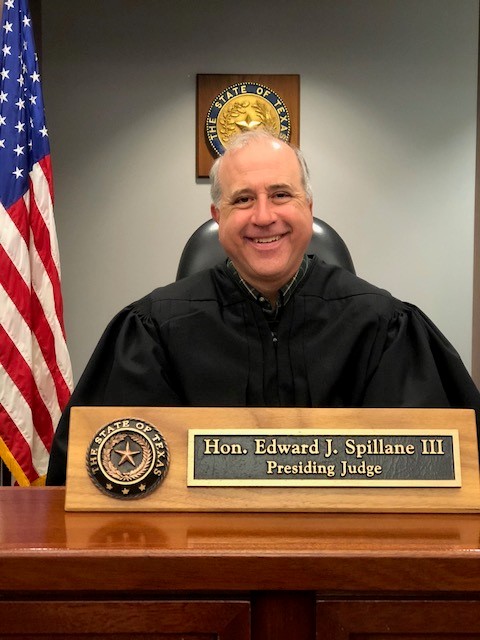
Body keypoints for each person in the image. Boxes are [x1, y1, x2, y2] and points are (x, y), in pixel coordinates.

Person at [46, 130, 480, 485]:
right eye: (242, 199)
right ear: (217, 217)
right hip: (199, 556)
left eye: (281, 195)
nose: (263, 216)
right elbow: (98, 479)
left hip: (347, 555)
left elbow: (437, 474)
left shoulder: (385, 327)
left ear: (309, 208)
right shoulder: (153, 332)